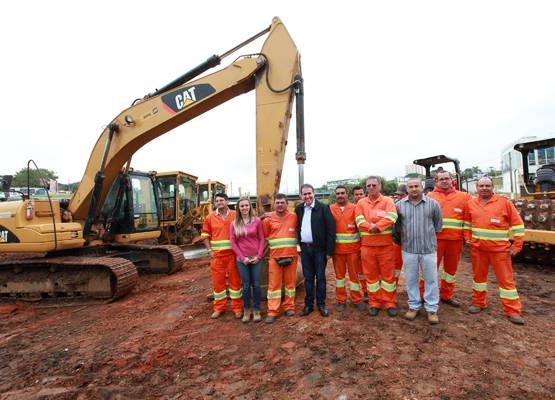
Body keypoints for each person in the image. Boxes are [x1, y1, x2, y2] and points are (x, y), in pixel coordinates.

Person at [463, 177, 525, 325]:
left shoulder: (505, 203)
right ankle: (478, 302)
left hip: (500, 250)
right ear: (476, 188)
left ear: (493, 187)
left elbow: (518, 225)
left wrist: (516, 246)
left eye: (487, 185)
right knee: (478, 279)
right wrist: (467, 238)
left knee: (506, 281)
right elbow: (467, 222)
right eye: (481, 186)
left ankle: (513, 310)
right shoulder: (471, 203)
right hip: (478, 249)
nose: (484, 188)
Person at [394, 178, 443, 324]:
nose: (414, 189)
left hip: (428, 249)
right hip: (408, 249)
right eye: (411, 186)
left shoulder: (433, 204)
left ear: (422, 187)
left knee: (431, 279)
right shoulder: (399, 206)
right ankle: (414, 306)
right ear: (407, 189)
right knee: (410, 279)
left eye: (416, 186)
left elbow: (437, 226)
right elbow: (396, 227)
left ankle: (432, 308)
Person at [425, 170, 473, 307]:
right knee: (430, 270)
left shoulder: (464, 197)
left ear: (452, 180)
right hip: (435, 241)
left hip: (455, 241)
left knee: (450, 271)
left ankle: (446, 295)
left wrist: (501, 197)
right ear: (437, 181)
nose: (444, 181)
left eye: (447, 178)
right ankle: (425, 295)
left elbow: (477, 207)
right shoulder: (430, 196)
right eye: (441, 179)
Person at [355, 176, 398, 317]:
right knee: (371, 277)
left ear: (380, 186)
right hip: (367, 247)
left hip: (385, 246)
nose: (371, 187)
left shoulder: (387, 201)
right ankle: (375, 303)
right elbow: (359, 220)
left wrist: (377, 227)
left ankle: (390, 303)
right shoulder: (361, 203)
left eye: (374, 185)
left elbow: (392, 216)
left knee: (388, 277)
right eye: (369, 185)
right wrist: (371, 228)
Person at [295, 184, 336, 317]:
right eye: (304, 194)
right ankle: (309, 305)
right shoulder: (299, 209)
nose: (307, 196)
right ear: (301, 196)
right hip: (305, 249)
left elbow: (331, 230)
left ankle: (321, 304)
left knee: (321, 277)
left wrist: (329, 251)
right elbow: (296, 227)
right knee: (308, 278)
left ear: (314, 194)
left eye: (309, 193)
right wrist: (299, 244)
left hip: (319, 249)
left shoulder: (323, 208)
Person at [201, 193, 243, 319]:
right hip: (217, 257)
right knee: (218, 284)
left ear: (227, 202)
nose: (219, 203)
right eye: (217, 201)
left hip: (233, 255)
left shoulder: (236, 215)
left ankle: (237, 308)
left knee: (235, 284)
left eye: (221, 200)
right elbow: (205, 235)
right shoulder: (210, 217)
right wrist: (209, 250)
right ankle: (219, 308)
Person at [263, 193, 299, 324]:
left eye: (282, 202)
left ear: (287, 203)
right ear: (274, 204)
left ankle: (289, 307)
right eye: (277, 203)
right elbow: (266, 236)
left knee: (290, 284)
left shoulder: (294, 217)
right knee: (274, 286)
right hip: (275, 257)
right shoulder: (268, 220)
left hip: (291, 256)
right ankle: (272, 311)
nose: (279, 205)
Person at [330, 185, 366, 312]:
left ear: (347, 194)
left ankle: (357, 300)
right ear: (336, 195)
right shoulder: (330, 209)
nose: (340, 195)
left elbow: (361, 230)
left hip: (353, 250)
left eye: (342, 193)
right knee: (339, 278)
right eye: (338, 193)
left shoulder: (355, 208)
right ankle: (341, 301)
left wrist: (361, 247)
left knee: (354, 277)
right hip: (337, 251)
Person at [230, 197, 265, 323]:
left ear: (250, 207)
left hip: (256, 258)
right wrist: (242, 257)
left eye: (246, 205)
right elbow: (233, 243)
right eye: (242, 206)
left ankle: (256, 310)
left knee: (256, 285)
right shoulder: (234, 224)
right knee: (245, 286)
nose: (244, 208)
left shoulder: (256, 221)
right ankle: (246, 310)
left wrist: (259, 256)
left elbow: (262, 239)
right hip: (242, 260)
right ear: (238, 208)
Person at [352, 185, 369, 303]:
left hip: (369, 245)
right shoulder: (351, 209)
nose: (359, 197)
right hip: (357, 246)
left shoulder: (369, 207)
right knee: (361, 272)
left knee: (372, 270)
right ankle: (366, 291)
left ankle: (375, 292)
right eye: (356, 195)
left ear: (365, 194)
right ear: (352, 196)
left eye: (361, 194)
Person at [393, 185, 408, 290]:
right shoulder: (395, 206)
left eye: (401, 195)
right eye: (398, 195)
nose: (399, 197)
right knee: (395, 268)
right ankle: (392, 289)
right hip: (397, 241)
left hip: (411, 243)